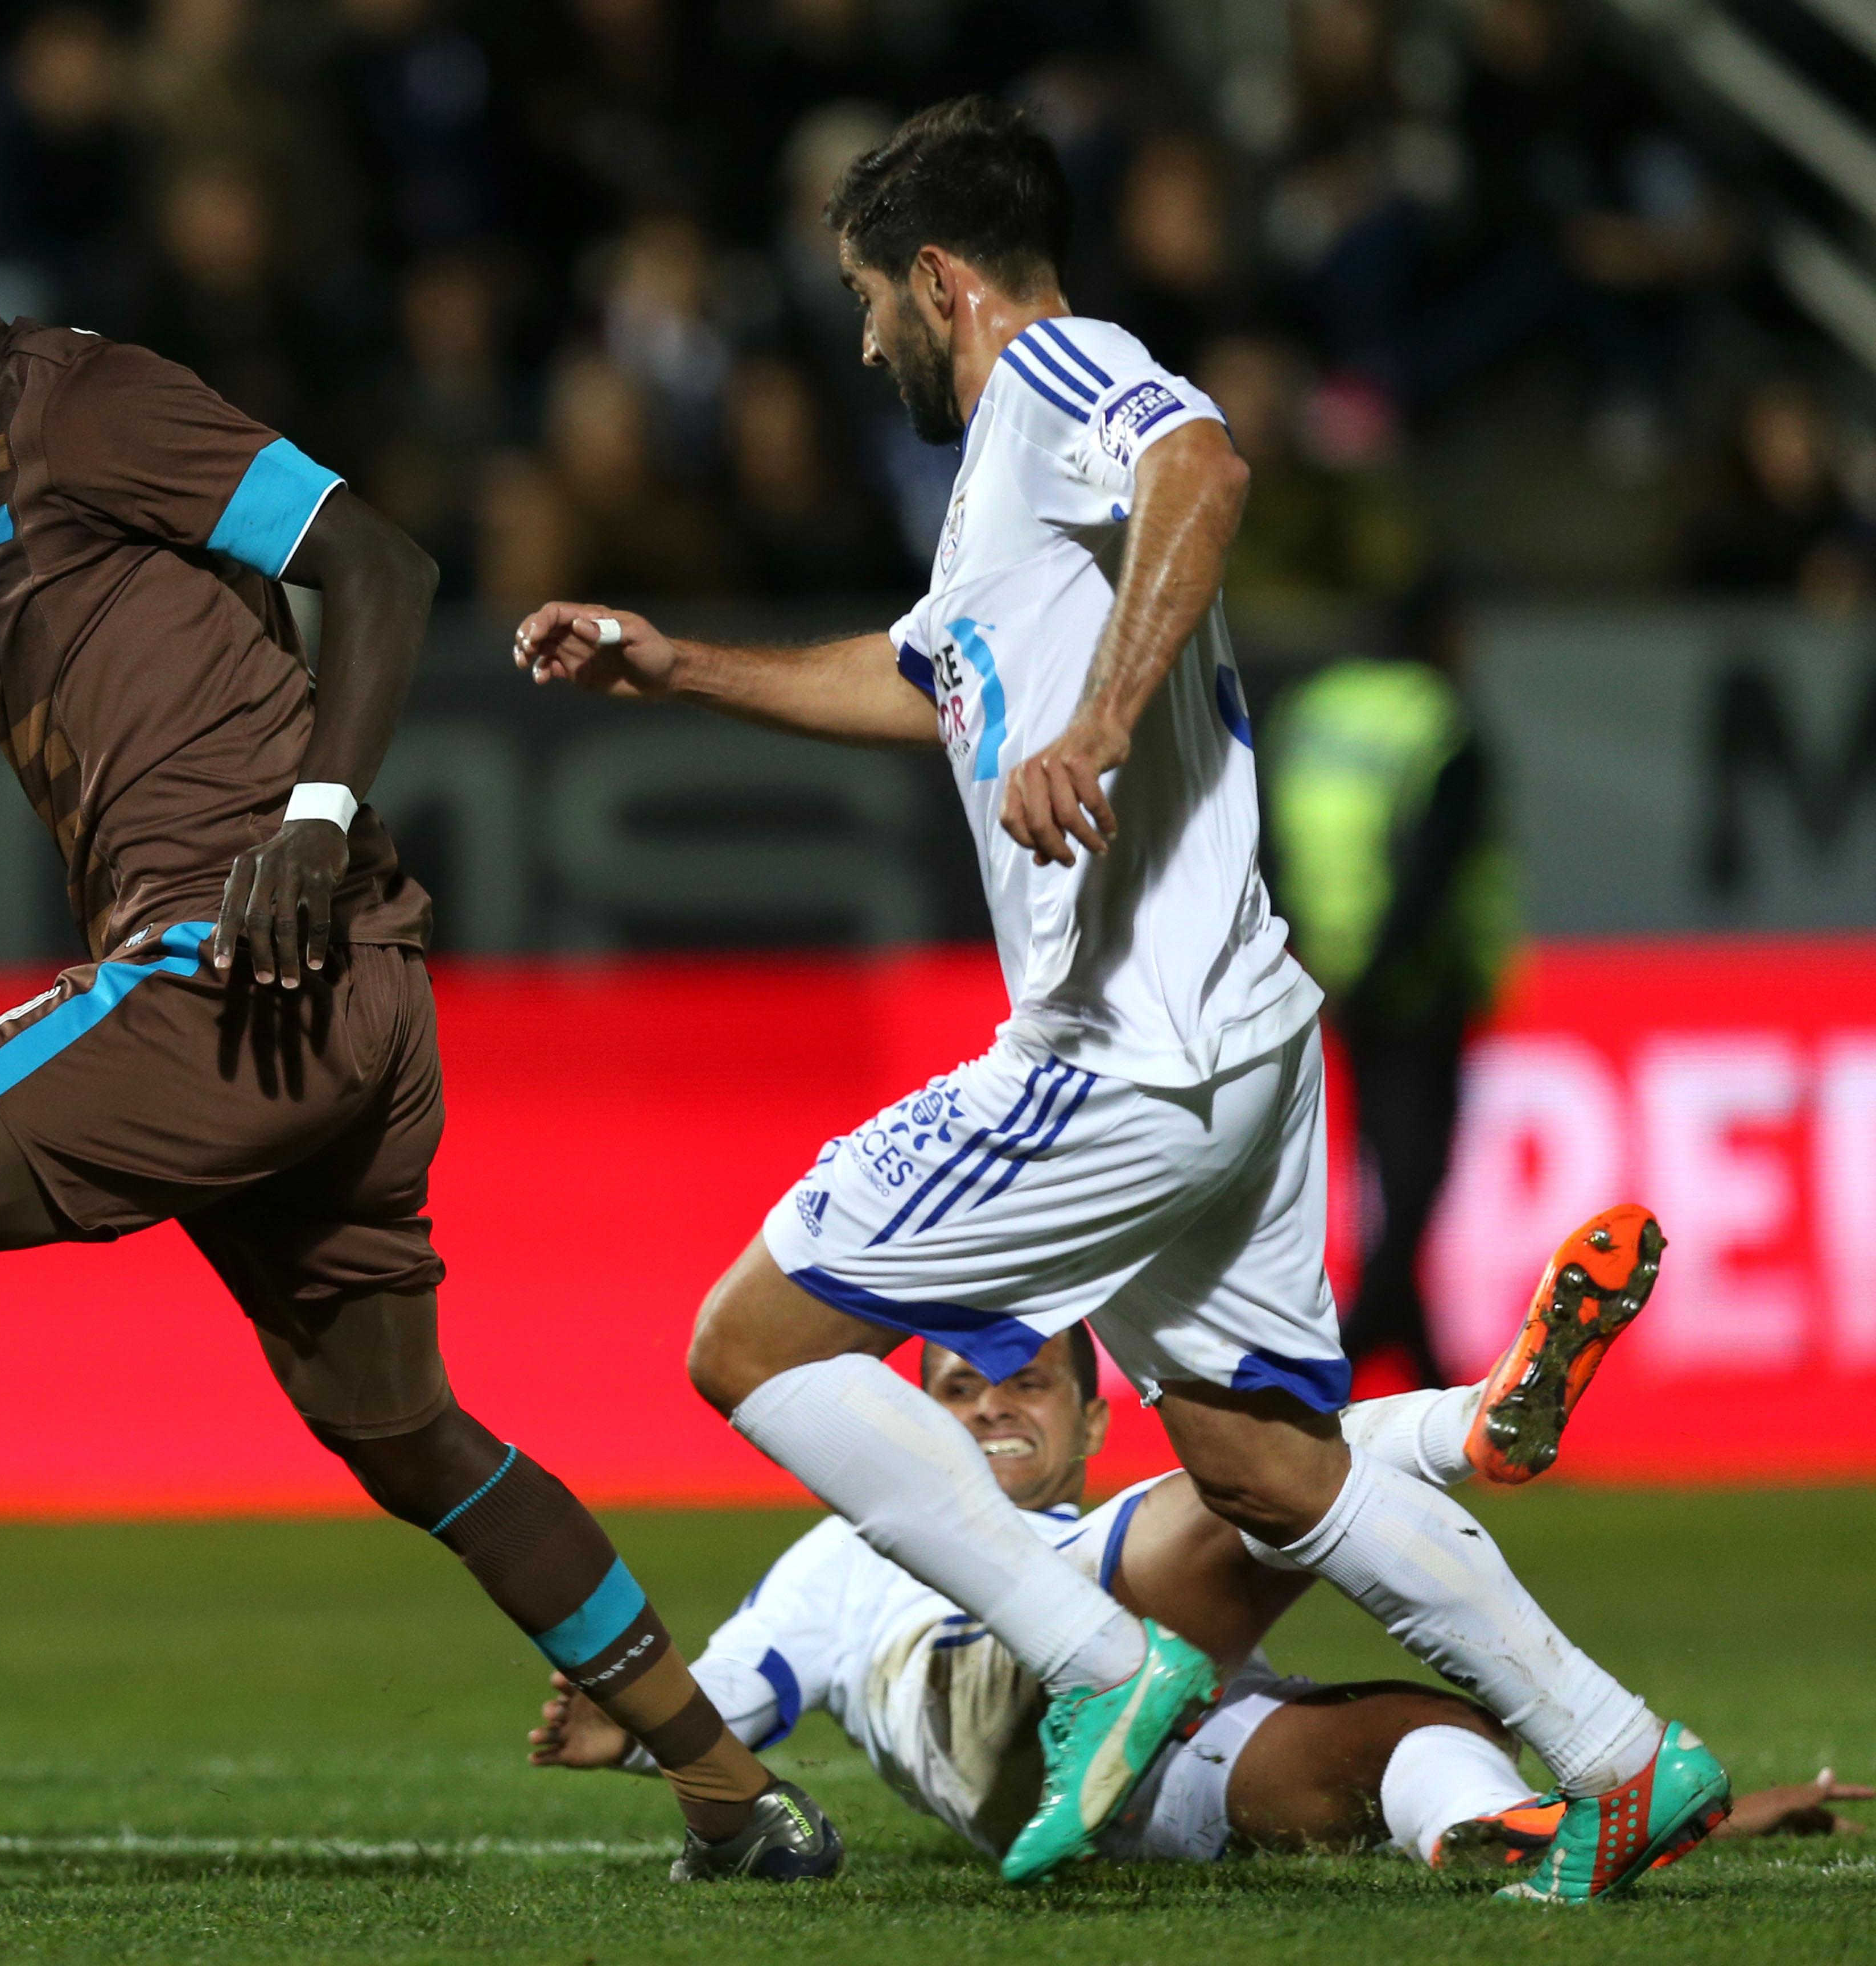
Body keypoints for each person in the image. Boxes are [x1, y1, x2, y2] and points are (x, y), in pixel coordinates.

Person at [0, 167, 838, 1884]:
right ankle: (735, 1798)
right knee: (406, 1431)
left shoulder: (94, 404)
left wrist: (319, 812)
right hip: (331, 1001)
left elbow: (379, 562)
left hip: (243, 952)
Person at [510, 97, 1726, 1903]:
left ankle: (1097, 1666)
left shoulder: (1063, 372)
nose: (861, 340)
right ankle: (1631, 1758)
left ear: (941, 279)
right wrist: (681, 664)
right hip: (1246, 1044)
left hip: (1124, 1054)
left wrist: (1094, 723)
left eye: (867, 299)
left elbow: (1208, 468)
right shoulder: (1006, 483)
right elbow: (928, 680)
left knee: (749, 1343)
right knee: (1260, 1464)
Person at [532, 1205, 1853, 1871]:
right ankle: (1470, 1428)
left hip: (1153, 1781)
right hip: (991, 1705)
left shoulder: (1107, 1511)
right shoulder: (846, 1555)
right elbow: (737, 1705)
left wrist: (1715, 1827)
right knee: (1245, 1489)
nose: (991, 1403)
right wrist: (634, 1720)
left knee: (1408, 1732)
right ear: (908, 1420)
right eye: (955, 1391)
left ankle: (1505, 1829)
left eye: (1029, 1384)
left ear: (1092, 1422)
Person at [1264, 576, 1517, 1387]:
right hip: (1416, 982)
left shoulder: (1314, 712)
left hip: (1326, 973)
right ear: (1440, 633)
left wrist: (1306, 955)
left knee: (1385, 1170)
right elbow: (1432, 867)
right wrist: (1380, 970)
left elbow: (1271, 840)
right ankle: (1354, 1340)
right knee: (1416, 1178)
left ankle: (1426, 1370)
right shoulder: (1437, 721)